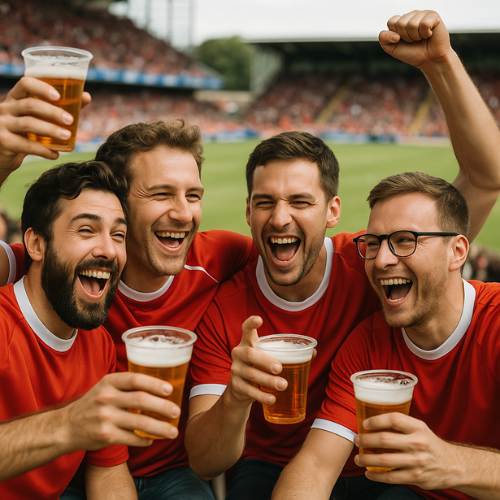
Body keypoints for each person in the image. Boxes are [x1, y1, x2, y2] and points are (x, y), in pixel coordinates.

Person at [184, 10, 500, 499]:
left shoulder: (370, 262)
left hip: (380, 464)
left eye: (301, 202)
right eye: (265, 202)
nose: (281, 218)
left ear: (332, 211)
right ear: (247, 211)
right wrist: (235, 397)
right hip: (276, 463)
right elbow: (212, 460)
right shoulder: (231, 313)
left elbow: (483, 178)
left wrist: (441, 62)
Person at [0, 79, 256, 498]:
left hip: (162, 470)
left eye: (193, 195)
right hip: (68, 473)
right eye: (160, 194)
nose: (183, 212)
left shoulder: (219, 257)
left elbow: (301, 256)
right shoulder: (38, 272)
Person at [272, 171, 500, 500]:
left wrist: (451, 462)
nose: (381, 260)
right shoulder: (367, 343)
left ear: (458, 252)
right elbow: (316, 465)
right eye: (374, 243)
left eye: (405, 240)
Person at [0, 160, 182, 500]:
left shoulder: (99, 345)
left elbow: (108, 471)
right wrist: (68, 426)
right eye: (86, 230)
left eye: (118, 235)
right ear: (36, 245)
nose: (109, 250)